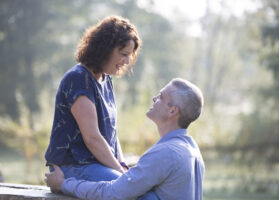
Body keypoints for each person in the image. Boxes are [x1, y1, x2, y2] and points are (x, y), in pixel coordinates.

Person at [45, 78, 205, 200]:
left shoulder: (166, 153)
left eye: (161, 97)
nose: (154, 98)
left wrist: (63, 184)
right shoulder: (192, 150)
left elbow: (113, 193)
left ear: (172, 111)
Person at [44, 15, 142, 183]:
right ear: (105, 49)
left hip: (99, 164)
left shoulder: (106, 79)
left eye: (129, 55)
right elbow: (92, 137)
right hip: (74, 166)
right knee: (135, 191)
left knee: (147, 190)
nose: (127, 61)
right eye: (123, 54)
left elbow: (111, 133)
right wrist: (120, 173)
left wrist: (122, 164)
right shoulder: (78, 79)